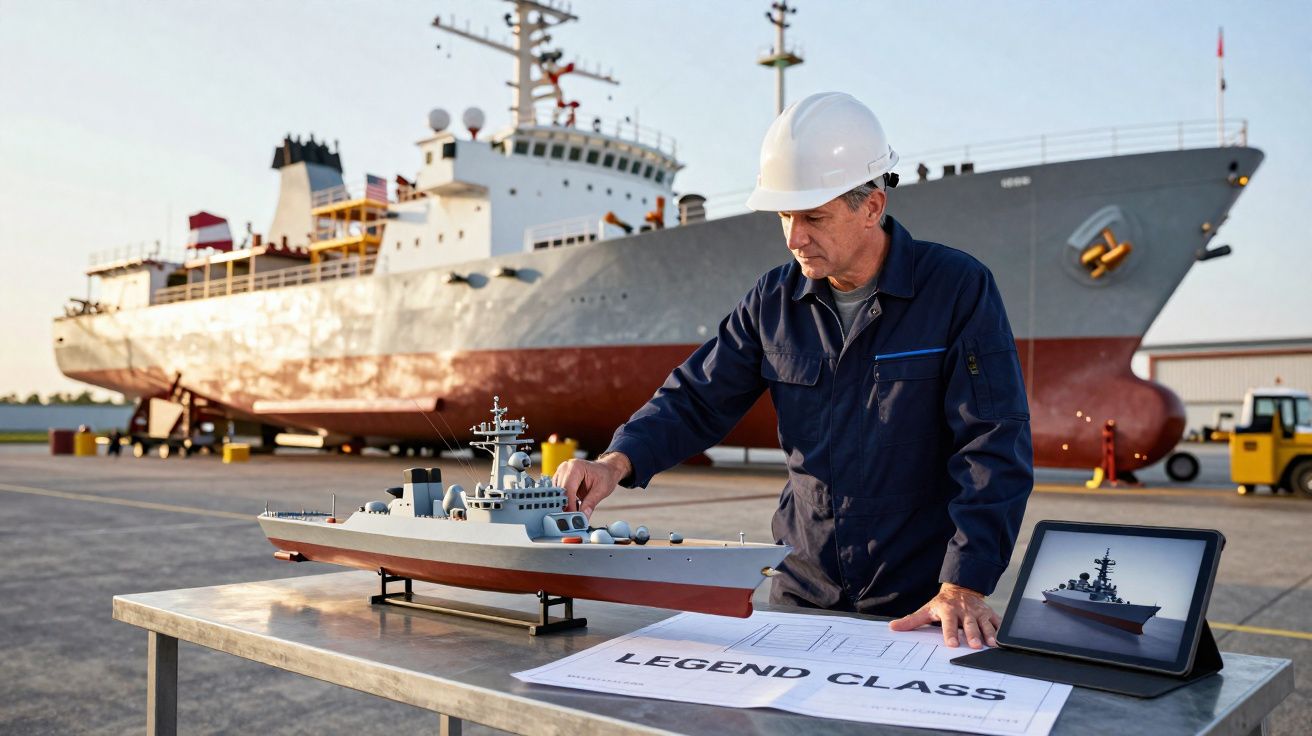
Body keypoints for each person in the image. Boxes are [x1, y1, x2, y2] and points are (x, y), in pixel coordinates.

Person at [553, 92, 1033, 649]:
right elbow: (697, 397)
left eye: (814, 217)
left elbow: (994, 441)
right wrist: (617, 461)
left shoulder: (956, 289)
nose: (794, 237)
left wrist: (964, 583)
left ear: (872, 206)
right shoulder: (773, 300)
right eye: (785, 216)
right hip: (802, 591)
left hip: (921, 601)